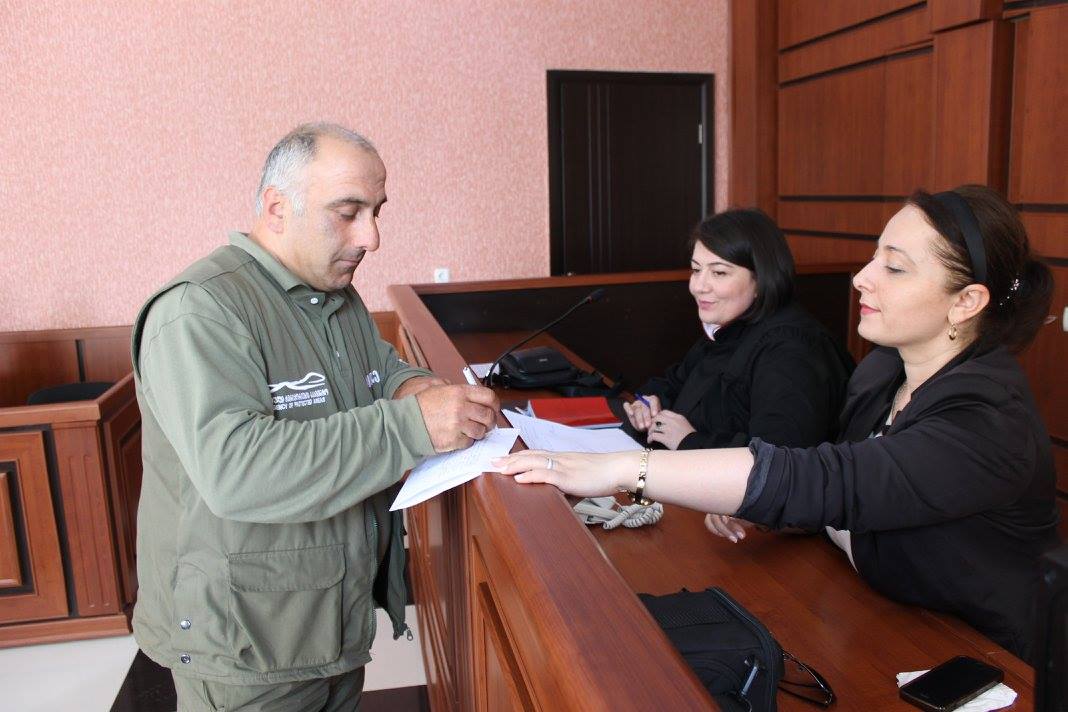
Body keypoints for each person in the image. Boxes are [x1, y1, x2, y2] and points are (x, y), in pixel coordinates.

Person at [495, 185, 1060, 663]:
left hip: (976, 658)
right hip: (870, 607)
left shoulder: (988, 418)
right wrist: (772, 513)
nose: (862, 279)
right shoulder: (884, 370)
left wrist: (621, 469)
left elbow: (834, 479)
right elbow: (839, 495)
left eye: (893, 268)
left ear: (966, 302)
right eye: (873, 258)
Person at [131, 123, 499, 711]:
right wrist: (413, 425)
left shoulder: (334, 296)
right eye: (348, 213)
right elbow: (237, 471)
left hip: (331, 621)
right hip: (247, 647)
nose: (371, 237)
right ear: (277, 208)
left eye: (376, 212)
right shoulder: (200, 310)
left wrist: (413, 387)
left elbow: (379, 370)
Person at [623, 209, 853, 453]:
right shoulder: (731, 326)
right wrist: (647, 404)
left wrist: (689, 440)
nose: (698, 286)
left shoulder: (792, 350)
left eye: (719, 273)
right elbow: (674, 383)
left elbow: (780, 459)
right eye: (696, 270)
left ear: (761, 279)